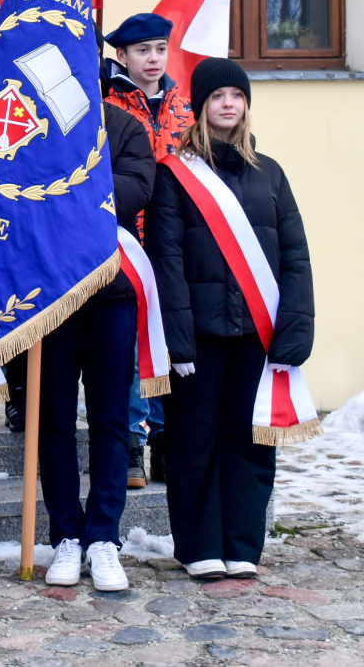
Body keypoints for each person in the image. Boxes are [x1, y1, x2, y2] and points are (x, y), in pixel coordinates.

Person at [145, 58, 313, 580]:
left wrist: (295, 331)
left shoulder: (272, 174)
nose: (227, 104)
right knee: (193, 442)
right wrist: (177, 339)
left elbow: (295, 256)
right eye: (217, 96)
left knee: (251, 440)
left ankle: (243, 544)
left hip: (256, 335)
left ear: (245, 105)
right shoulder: (174, 175)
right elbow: (165, 259)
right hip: (199, 335)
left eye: (236, 96)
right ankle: (199, 547)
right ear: (200, 106)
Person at [41, 100, 155, 593]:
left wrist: (69, 192)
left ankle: (104, 537)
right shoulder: (41, 118)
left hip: (113, 292)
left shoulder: (124, 125)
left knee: (111, 419)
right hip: (52, 292)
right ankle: (67, 534)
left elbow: (135, 188)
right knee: (54, 420)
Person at [105, 12, 194, 488]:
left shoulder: (184, 110)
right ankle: (132, 444)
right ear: (123, 56)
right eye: (143, 51)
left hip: (174, 239)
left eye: (160, 49)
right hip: (126, 235)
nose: (154, 59)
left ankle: (164, 441)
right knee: (130, 344)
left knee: (165, 337)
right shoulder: (109, 106)